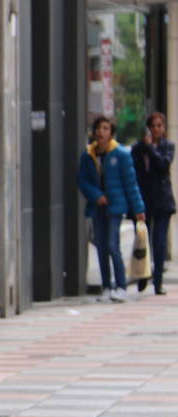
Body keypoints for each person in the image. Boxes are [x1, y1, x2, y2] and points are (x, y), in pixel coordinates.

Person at [77, 115, 146, 302]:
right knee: (101, 247)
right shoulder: (88, 155)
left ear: (111, 133)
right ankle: (106, 286)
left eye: (106, 128)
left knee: (112, 245)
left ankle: (121, 286)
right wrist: (96, 195)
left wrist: (139, 208)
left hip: (116, 206)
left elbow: (131, 183)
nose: (101, 132)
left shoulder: (121, 154)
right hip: (97, 206)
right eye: (99, 128)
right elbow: (82, 180)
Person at [132, 111, 175, 295]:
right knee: (142, 241)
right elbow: (134, 169)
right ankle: (142, 275)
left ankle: (158, 282)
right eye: (153, 126)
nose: (156, 129)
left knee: (159, 242)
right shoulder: (138, 147)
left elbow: (163, 165)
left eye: (159, 126)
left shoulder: (168, 146)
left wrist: (151, 149)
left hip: (163, 201)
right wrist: (145, 147)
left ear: (163, 128)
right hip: (143, 200)